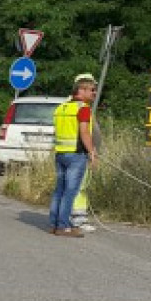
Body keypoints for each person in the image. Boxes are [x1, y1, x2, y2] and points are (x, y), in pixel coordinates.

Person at [49, 74, 97, 237]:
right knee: (70, 192)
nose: (94, 93)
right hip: (76, 155)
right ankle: (64, 227)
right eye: (91, 90)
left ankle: (54, 224)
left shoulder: (61, 108)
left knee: (59, 191)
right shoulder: (83, 108)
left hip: (60, 154)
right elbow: (84, 132)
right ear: (81, 90)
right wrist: (91, 151)